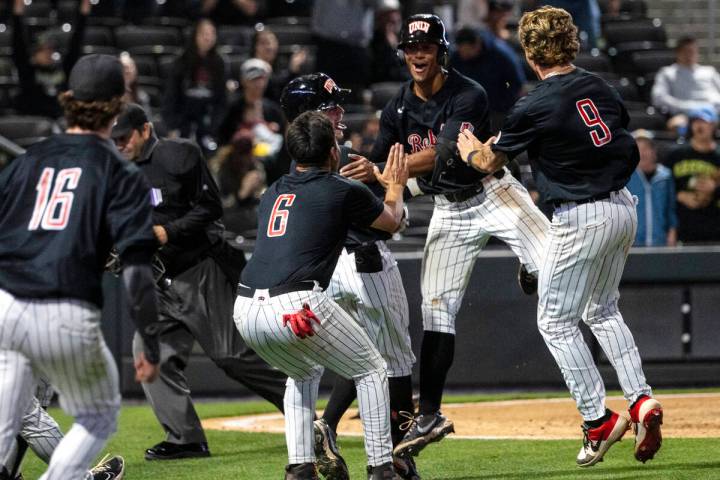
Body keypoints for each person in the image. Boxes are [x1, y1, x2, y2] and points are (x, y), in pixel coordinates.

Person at [456, 6, 663, 466]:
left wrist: (472, 151)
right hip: (621, 207)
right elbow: (615, 132)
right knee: (602, 309)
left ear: (531, 53)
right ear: (571, 43)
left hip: (581, 215)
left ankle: (597, 420)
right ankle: (640, 399)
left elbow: (491, 163)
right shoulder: (600, 85)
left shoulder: (534, 102)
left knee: (554, 322)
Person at [370, 13, 549, 459]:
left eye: (426, 47)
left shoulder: (468, 92)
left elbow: (448, 150)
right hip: (448, 209)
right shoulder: (396, 106)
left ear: (441, 51)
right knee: (436, 309)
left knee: (553, 264)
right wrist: (370, 172)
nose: (418, 54)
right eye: (411, 49)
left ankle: (529, 264)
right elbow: (380, 166)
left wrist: (386, 170)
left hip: (494, 192)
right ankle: (429, 412)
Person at [0, 53, 160, 479]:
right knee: (98, 414)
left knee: (10, 419)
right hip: (64, 311)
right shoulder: (121, 172)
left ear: (67, 98)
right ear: (117, 104)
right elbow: (139, 274)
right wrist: (152, 343)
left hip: (7, 306)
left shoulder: (25, 161)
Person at [234, 111, 407, 480]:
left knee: (302, 373)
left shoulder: (275, 189)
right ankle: (381, 469)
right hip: (296, 306)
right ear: (333, 152)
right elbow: (392, 222)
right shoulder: (342, 188)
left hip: (246, 307)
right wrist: (394, 185)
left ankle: (300, 468)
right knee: (373, 369)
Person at [111, 103, 288, 461]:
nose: (119, 144)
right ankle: (185, 438)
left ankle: (297, 400)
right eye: (113, 138)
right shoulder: (114, 171)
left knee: (232, 356)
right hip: (157, 282)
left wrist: (167, 231)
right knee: (148, 353)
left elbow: (211, 209)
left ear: (145, 130)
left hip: (198, 268)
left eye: (124, 137)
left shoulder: (179, 154)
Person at [281, 73, 420, 480]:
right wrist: (388, 184)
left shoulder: (297, 162)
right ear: (309, 114)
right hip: (364, 262)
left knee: (353, 355)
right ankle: (397, 457)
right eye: (330, 106)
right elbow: (393, 221)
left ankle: (321, 431)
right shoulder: (339, 159)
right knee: (394, 360)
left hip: (321, 271)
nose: (340, 111)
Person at [10, 0, 91, 118]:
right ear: (34, 55)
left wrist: (84, 14)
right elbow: (18, 46)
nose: (48, 53)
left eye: (50, 50)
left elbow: (75, 46)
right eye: (43, 50)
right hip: (34, 127)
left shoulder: (63, 69)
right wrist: (17, 15)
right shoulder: (27, 71)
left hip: (60, 123)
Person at [218, 58, 287, 184]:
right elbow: (222, 137)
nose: (258, 84)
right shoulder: (233, 108)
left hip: (271, 162)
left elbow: (284, 136)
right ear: (244, 81)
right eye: (254, 79)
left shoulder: (272, 110)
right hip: (241, 162)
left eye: (262, 79)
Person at [162, 18, 227, 145]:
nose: (208, 38)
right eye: (204, 33)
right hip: (183, 119)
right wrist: (172, 125)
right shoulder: (181, 60)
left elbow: (221, 99)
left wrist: (214, 126)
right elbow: (171, 96)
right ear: (195, 35)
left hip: (208, 121)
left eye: (211, 33)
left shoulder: (219, 62)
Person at [450, 26, 526, 129]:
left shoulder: (501, 55)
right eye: (461, 51)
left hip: (498, 112)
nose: (464, 55)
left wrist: (503, 105)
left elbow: (517, 84)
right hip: (468, 111)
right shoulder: (456, 57)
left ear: (477, 45)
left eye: (467, 51)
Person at [664, 106, 720, 243]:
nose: (699, 126)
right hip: (683, 229)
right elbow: (660, 186)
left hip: (715, 229)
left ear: (714, 125)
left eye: (704, 122)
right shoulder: (676, 155)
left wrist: (715, 189)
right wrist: (679, 195)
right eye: (695, 122)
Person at [626, 130, 678, 246]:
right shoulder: (626, 177)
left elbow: (670, 208)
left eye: (646, 148)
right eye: (637, 149)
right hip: (633, 243)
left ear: (654, 151)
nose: (642, 153)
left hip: (660, 240)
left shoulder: (665, 176)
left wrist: (672, 232)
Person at [652, 36, 720, 121]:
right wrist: (683, 107)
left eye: (692, 51)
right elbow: (659, 97)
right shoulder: (667, 73)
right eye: (686, 52)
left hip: (715, 113)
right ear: (677, 53)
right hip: (685, 116)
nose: (689, 55)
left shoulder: (710, 71)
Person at [252, 28, 310, 101]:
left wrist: (294, 70)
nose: (269, 47)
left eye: (271, 42)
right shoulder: (251, 67)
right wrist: (292, 71)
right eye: (263, 43)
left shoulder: (282, 65)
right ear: (255, 47)